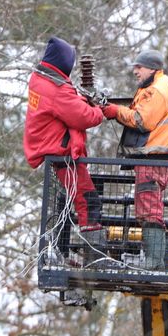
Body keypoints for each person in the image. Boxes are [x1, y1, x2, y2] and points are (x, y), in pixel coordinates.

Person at [23, 36, 107, 256]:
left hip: (55, 152)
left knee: (70, 201)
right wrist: (99, 110)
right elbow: (83, 117)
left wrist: (80, 98)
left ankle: (67, 251)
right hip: (63, 156)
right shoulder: (56, 89)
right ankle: (94, 257)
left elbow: (68, 102)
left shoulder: (40, 79)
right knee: (88, 201)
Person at [101, 49, 168, 269]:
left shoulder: (157, 90)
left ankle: (154, 262)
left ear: (152, 68)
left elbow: (141, 120)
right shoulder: (160, 85)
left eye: (139, 67)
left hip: (153, 156)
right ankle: (159, 262)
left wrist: (115, 111)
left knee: (148, 210)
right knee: (152, 207)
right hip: (157, 156)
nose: (135, 71)